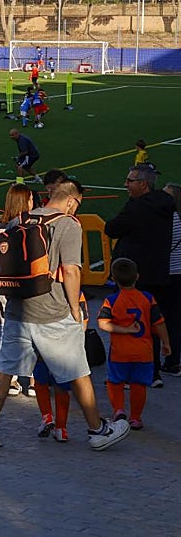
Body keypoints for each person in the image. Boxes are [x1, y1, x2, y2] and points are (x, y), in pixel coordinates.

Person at [0, 177, 130, 451]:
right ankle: (97, 430)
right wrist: (74, 307)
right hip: (53, 311)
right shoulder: (67, 224)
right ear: (71, 200)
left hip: (17, 310)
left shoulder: (21, 220)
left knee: (3, 369)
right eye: (78, 205)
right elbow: (71, 270)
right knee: (77, 371)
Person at [103, 163, 175, 387]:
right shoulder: (165, 204)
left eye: (130, 181)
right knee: (152, 322)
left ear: (143, 184)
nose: (126, 185)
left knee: (125, 323)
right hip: (158, 272)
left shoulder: (136, 208)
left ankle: (125, 373)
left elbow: (111, 228)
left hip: (132, 276)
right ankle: (152, 373)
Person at [99, 257, 171, 431]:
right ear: (137, 277)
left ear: (113, 279)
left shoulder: (112, 300)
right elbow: (159, 322)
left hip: (120, 352)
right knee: (139, 385)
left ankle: (118, 410)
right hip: (144, 352)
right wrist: (166, 343)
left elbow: (103, 323)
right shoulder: (147, 298)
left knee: (115, 382)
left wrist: (124, 330)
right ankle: (136, 418)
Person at [0, 183, 36, 398]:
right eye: (31, 199)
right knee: (31, 332)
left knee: (8, 332)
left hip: (4, 287)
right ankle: (31, 379)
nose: (33, 202)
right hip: (27, 286)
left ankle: (11, 378)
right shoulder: (33, 225)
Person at [159, 182, 181, 376]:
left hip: (166, 274)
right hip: (178, 273)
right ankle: (173, 361)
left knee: (159, 319)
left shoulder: (166, 219)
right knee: (174, 319)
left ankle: (160, 361)